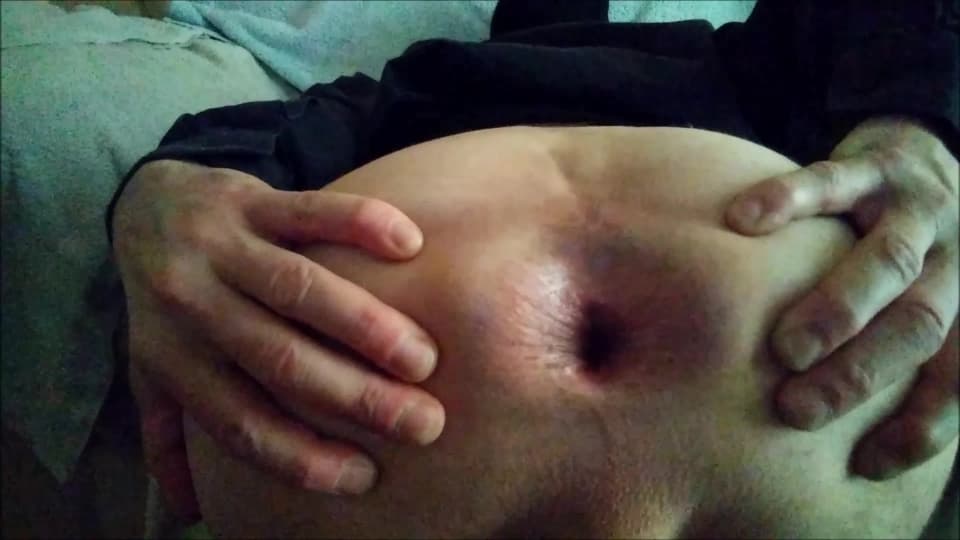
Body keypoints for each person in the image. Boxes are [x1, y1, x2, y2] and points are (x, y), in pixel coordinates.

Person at [107, 0, 960, 532]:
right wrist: (158, 194)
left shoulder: (744, 58)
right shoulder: (420, 79)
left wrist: (923, 125)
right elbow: (240, 150)